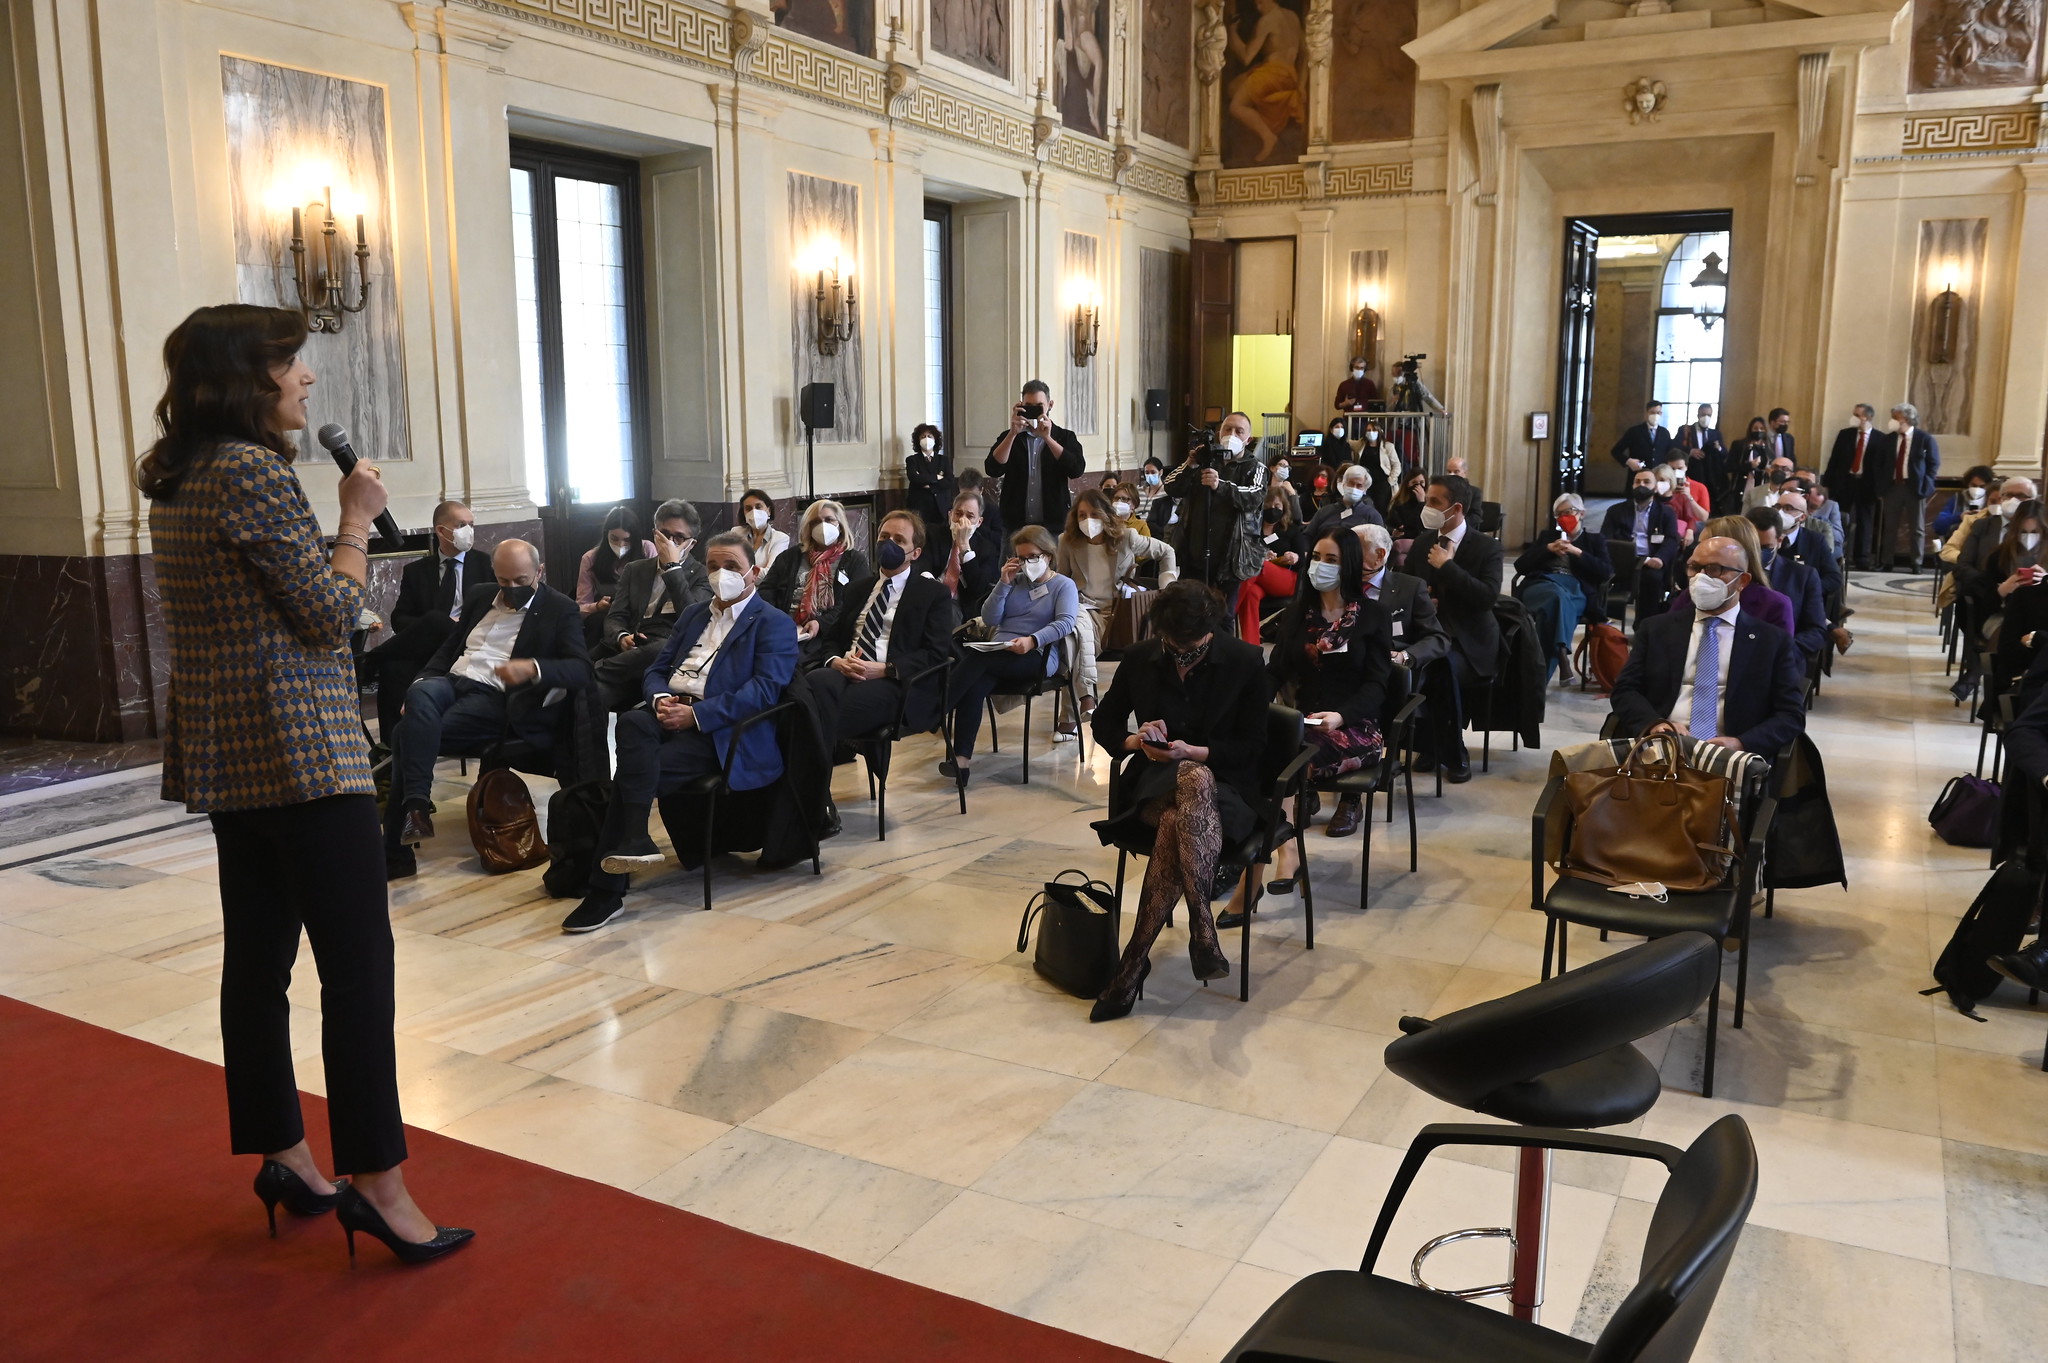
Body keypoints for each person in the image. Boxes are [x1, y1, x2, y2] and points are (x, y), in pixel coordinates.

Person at [139, 302, 468, 1264]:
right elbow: (330, 616)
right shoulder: (253, 472)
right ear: (250, 378)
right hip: (301, 750)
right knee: (359, 972)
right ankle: (379, 1182)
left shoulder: (179, 472)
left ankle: (287, 1153)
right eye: (292, 365)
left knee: (260, 963)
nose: (308, 380)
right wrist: (355, 524)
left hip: (231, 752)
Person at [561, 530, 800, 934]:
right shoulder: (693, 615)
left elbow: (762, 691)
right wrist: (658, 700)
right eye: (713, 566)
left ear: (754, 573)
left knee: (631, 778)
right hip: (669, 715)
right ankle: (631, 843)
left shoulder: (773, 623)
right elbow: (656, 668)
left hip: (721, 734)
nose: (720, 574)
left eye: (732, 567)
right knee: (636, 721)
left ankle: (607, 890)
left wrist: (698, 716)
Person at [1086, 581, 1270, 1021]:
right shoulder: (1140, 658)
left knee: (1182, 806)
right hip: (1152, 782)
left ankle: (1132, 964)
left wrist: (1196, 753)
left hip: (1227, 790)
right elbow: (1105, 721)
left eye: (1192, 644)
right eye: (1173, 643)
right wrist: (1135, 739)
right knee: (1183, 787)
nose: (1182, 651)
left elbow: (1254, 747)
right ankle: (1202, 930)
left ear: (1211, 630)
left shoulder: (1245, 662)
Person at [384, 538, 593, 869]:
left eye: (521, 581)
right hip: (452, 681)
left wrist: (533, 668)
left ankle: (405, 834)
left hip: (495, 696)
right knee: (419, 694)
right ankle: (413, 814)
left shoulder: (558, 608)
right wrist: (420, 682)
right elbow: (450, 647)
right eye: (504, 580)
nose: (512, 588)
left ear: (539, 571)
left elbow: (581, 669)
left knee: (405, 734)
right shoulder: (481, 595)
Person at [1611, 535, 1808, 755]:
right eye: (1694, 568)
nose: (1701, 578)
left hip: (1731, 755)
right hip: (1662, 747)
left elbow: (1791, 715)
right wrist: (1655, 724)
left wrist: (1741, 743)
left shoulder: (1771, 641)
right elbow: (1625, 690)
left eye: (1714, 569)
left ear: (1742, 581)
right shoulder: (1656, 629)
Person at [1262, 528, 1391, 845]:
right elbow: (1275, 671)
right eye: (1316, 557)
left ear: (1347, 565)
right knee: (1257, 742)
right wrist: (1253, 705)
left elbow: (1377, 685)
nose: (1321, 565)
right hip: (1305, 722)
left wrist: (1340, 716)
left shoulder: (1373, 616)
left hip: (1355, 725)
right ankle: (1278, 841)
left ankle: (1279, 844)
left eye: (1331, 559)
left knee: (1286, 756)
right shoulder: (1296, 614)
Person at [808, 510, 961, 754]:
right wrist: (836, 661)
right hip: (848, 670)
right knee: (814, 683)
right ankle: (817, 785)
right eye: (884, 537)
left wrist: (885, 669)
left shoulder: (932, 594)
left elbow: (936, 653)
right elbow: (833, 639)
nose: (889, 544)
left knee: (815, 718)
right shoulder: (859, 589)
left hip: (895, 681)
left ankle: (816, 787)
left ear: (916, 553)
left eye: (899, 540)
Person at [941, 526, 1081, 787]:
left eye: (1032, 557)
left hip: (1036, 655)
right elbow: (991, 617)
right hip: (1000, 650)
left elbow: (1065, 623)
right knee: (975, 685)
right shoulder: (1014, 582)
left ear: (1048, 556)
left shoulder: (1063, 585)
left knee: (976, 661)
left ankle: (936, 708)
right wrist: (1003, 583)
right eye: (1020, 557)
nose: (1026, 563)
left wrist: (1032, 640)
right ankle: (961, 763)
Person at [359, 500, 485, 742]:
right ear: (441, 531)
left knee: (438, 620)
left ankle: (369, 660)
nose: (468, 531)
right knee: (393, 668)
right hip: (428, 650)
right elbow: (399, 619)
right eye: (461, 525)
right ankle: (390, 750)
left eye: (471, 525)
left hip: (466, 646)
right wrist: (430, 624)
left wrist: (450, 622)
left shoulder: (485, 564)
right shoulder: (417, 571)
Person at [1058, 488, 1179, 733]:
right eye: (1081, 515)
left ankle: (1073, 714)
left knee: (1075, 640)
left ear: (1106, 514)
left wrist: (1167, 587)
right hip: (1086, 608)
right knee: (1076, 628)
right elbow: (1063, 580)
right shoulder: (1067, 541)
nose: (1087, 520)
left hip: (1120, 612)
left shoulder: (1126, 537)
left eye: (1093, 513)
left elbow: (1167, 552)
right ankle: (1084, 701)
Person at [1407, 473, 1501, 783]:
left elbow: (1487, 598)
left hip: (1471, 643)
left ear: (1456, 508)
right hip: (1430, 634)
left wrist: (1448, 567)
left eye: (1435, 502)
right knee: (1413, 661)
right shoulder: (1422, 543)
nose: (1427, 506)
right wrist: (1422, 604)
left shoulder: (1486, 547)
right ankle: (1431, 744)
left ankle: (1452, 750)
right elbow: (1406, 590)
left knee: (1439, 666)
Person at [595, 499, 712, 709]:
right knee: (591, 694)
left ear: (691, 543)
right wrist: (621, 637)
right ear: (654, 534)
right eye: (665, 535)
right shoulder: (635, 569)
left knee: (661, 648)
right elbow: (615, 616)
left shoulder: (703, 575)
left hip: (666, 655)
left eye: (679, 537)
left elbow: (692, 618)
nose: (670, 542)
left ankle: (589, 671)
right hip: (629, 651)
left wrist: (672, 568)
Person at [1164, 411, 1266, 599]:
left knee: (1223, 616)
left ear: (1248, 439)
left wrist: (1221, 486)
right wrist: (1191, 464)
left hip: (1230, 558)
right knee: (1190, 610)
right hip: (1194, 553)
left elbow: (1254, 497)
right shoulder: (1205, 459)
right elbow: (1170, 486)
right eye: (1228, 429)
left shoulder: (1255, 467)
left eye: (1239, 431)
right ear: (1219, 433)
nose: (1232, 435)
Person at [759, 498, 871, 665]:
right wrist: (779, 620)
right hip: (787, 629)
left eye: (829, 520)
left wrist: (820, 623)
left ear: (840, 525)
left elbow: (854, 604)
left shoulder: (855, 560)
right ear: (808, 527)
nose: (823, 525)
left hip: (828, 634)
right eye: (816, 521)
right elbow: (766, 591)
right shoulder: (790, 557)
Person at [1515, 492, 1610, 683]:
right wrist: (1547, 550)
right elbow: (1521, 565)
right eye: (1558, 515)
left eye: (1569, 512)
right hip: (1542, 585)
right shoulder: (1547, 537)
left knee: (1552, 612)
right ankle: (1560, 654)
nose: (1563, 518)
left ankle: (1538, 679)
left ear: (1581, 513)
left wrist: (1578, 553)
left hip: (1575, 591)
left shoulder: (1594, 540)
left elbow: (1606, 571)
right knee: (1556, 597)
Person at [986, 379, 1085, 532]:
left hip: (1053, 525)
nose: (1034, 411)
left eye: (1039, 407)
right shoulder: (1010, 437)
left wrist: (1047, 438)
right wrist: (1013, 433)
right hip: (1015, 524)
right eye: (1028, 407)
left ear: (1050, 405)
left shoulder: (1064, 437)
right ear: (1021, 405)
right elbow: (993, 469)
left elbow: (1076, 470)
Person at [1746, 506, 1829, 665]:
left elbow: (1817, 631)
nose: (1758, 554)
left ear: (1779, 541)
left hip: (1783, 661)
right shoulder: (1731, 573)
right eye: (1753, 546)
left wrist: (1783, 651)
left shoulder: (1802, 577)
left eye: (1765, 548)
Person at [1601, 466, 1681, 620]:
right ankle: (1610, 629)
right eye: (1637, 482)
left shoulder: (1666, 513)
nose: (1641, 485)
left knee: (1652, 579)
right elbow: (1605, 537)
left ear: (1655, 487)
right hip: (1623, 561)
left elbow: (1672, 539)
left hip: (1651, 561)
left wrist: (1660, 558)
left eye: (1646, 482)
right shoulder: (1615, 511)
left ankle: (1643, 627)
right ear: (1632, 486)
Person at [1873, 401, 1940, 571]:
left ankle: (1916, 563)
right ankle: (1887, 561)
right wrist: (1881, 487)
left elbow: (1933, 464)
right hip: (1892, 488)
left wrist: (1926, 485)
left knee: (1917, 528)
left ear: (1907, 419)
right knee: (1889, 527)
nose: (1893, 421)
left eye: (1896, 418)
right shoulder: (1888, 440)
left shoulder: (1924, 439)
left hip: (1915, 489)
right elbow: (1879, 464)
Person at [1238, 484, 1306, 644]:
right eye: (1268, 505)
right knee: (1251, 594)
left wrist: (1293, 557)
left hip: (1286, 579)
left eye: (1277, 505)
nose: (1272, 509)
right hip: (1256, 579)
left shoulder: (1291, 530)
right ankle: (1251, 645)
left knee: (1257, 565)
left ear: (1284, 507)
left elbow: (1302, 560)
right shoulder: (1251, 529)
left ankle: (1224, 613)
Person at [576, 506, 652, 646]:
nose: (620, 545)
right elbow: (580, 607)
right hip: (609, 615)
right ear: (606, 534)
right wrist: (597, 606)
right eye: (614, 538)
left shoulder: (646, 550)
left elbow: (658, 587)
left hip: (642, 613)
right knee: (598, 623)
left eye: (627, 540)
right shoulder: (591, 558)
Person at [926, 485, 1006, 618]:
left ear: (979, 522)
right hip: (930, 595)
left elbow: (980, 589)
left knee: (948, 613)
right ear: (950, 515)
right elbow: (922, 565)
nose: (963, 520)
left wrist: (964, 547)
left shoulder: (987, 549)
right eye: (958, 514)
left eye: (970, 516)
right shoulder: (932, 535)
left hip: (960, 605)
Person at [1824, 404, 1881, 568]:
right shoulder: (1845, 434)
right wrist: (1828, 483)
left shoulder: (1880, 438)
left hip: (1867, 484)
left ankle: (1862, 558)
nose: (1854, 417)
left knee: (1865, 521)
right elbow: (1834, 460)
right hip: (1845, 482)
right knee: (1840, 520)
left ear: (1867, 417)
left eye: (1857, 414)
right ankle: (1840, 555)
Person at [1305, 463, 1387, 543]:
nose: (1354, 488)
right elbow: (1307, 536)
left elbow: (1380, 543)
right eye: (1351, 483)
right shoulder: (1324, 512)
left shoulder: (1372, 515)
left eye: (1359, 486)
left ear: (1365, 489)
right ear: (1343, 484)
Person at [905, 423, 955, 541]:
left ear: (935, 439)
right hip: (920, 507)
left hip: (940, 508)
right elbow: (914, 478)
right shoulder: (912, 460)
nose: (926, 439)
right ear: (918, 440)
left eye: (929, 436)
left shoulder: (944, 460)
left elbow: (949, 481)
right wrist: (937, 477)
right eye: (922, 436)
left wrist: (927, 483)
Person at [1933, 463, 1997, 547]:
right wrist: (1959, 517)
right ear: (1968, 484)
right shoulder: (1958, 498)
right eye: (1973, 485)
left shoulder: (1992, 499)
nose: (1977, 489)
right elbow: (1938, 525)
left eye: (1982, 486)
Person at [1725, 415, 1773, 516]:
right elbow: (1729, 466)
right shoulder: (1739, 445)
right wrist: (1749, 465)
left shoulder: (1769, 446)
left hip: (1762, 486)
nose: (1758, 431)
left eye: (1761, 428)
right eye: (1755, 428)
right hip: (1742, 486)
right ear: (1750, 429)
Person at [1653, 459, 1709, 542]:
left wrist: (1689, 532)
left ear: (1671, 480)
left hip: (1677, 536)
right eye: (1656, 481)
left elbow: (1690, 518)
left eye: (1662, 480)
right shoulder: (1651, 499)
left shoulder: (1681, 498)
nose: (1658, 484)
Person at [1610, 400, 1673, 473]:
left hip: (1657, 476)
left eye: (1658, 413)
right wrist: (1628, 461)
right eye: (1652, 412)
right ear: (1646, 413)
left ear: (1661, 414)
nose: (1655, 416)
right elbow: (1616, 451)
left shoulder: (1665, 433)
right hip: (1638, 474)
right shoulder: (1634, 431)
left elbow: (1669, 454)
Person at [736, 487, 790, 571]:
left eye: (758, 507)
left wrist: (739, 573)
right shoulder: (736, 534)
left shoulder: (780, 538)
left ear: (768, 511)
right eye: (748, 508)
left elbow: (771, 572)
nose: (754, 512)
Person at [1386, 466, 1429, 542]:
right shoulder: (1399, 503)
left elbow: (1425, 525)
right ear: (1408, 484)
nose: (1418, 486)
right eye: (1414, 483)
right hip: (1402, 540)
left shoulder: (1429, 503)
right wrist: (1393, 531)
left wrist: (1421, 503)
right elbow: (1389, 524)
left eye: (1422, 483)